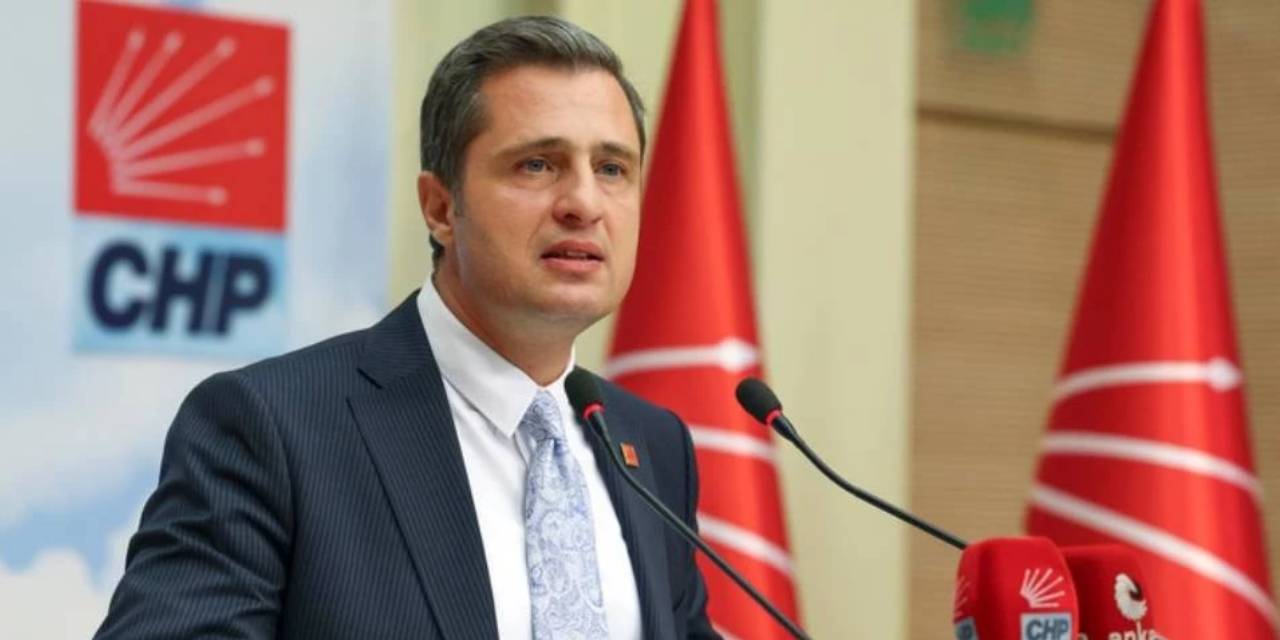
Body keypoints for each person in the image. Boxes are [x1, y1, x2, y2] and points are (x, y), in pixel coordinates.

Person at [94, 16, 719, 640]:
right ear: (440, 208)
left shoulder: (652, 445)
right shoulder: (271, 428)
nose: (584, 203)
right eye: (537, 165)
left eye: (612, 168)